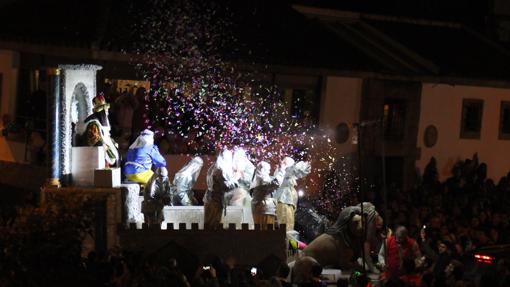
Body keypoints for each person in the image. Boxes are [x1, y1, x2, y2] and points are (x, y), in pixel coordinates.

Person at [203, 149, 238, 229]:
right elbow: (225, 187)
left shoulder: (213, 167)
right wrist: (235, 180)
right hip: (215, 200)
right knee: (213, 225)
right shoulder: (220, 170)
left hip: (210, 198)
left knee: (208, 224)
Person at [274, 157, 311, 231]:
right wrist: (305, 164)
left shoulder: (285, 175)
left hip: (285, 202)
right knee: (286, 229)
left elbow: (299, 172)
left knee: (287, 227)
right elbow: (296, 169)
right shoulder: (285, 172)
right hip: (284, 202)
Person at [83, 94, 119, 166]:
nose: (107, 111)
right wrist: (105, 147)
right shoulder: (93, 124)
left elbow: (105, 135)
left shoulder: (100, 122)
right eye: (105, 110)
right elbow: (93, 141)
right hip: (97, 157)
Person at [250, 161, 279, 228]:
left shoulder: (258, 181)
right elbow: (274, 184)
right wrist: (282, 171)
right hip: (264, 210)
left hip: (265, 210)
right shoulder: (261, 181)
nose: (269, 172)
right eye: (268, 170)